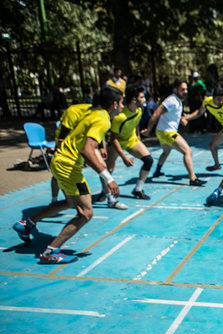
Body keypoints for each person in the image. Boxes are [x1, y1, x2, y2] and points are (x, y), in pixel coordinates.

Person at [12, 88, 124, 264]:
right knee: (86, 213)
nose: (122, 107)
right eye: (121, 103)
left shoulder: (92, 114)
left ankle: (28, 223)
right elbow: (87, 149)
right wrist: (108, 177)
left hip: (61, 161)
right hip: (68, 166)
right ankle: (50, 252)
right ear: (114, 104)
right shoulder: (103, 120)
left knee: (71, 203)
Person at [145, 80, 205, 186]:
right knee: (187, 151)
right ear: (175, 90)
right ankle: (193, 178)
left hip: (161, 131)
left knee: (166, 152)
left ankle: (157, 171)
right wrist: (148, 129)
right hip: (167, 132)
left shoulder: (176, 100)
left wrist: (181, 120)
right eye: (182, 89)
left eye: (186, 89)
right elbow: (156, 113)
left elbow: (171, 114)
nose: (185, 91)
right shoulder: (171, 100)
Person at [100, 85, 154, 203]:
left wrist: (138, 136)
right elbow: (113, 138)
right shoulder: (120, 117)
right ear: (134, 99)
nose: (144, 99)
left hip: (131, 139)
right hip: (117, 142)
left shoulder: (140, 110)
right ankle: (105, 192)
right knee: (107, 170)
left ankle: (138, 189)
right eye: (142, 97)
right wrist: (124, 157)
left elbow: (136, 122)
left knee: (149, 160)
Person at [51, 102, 93, 203]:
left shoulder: (92, 113)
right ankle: (55, 199)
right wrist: (60, 149)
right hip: (65, 147)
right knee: (57, 175)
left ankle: (109, 196)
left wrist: (100, 147)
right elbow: (63, 134)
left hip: (75, 145)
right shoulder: (73, 111)